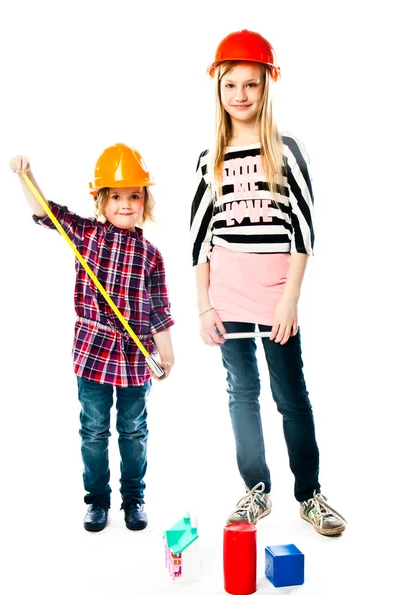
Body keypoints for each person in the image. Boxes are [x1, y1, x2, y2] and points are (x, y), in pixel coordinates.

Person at [190, 30, 346, 536]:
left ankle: (310, 493)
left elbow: (303, 231)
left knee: (291, 394)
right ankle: (257, 488)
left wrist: (289, 301)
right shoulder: (207, 160)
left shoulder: (286, 150)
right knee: (241, 391)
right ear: (218, 87)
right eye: (231, 84)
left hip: (276, 298)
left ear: (267, 87)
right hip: (227, 293)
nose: (240, 95)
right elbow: (198, 239)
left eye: (251, 85)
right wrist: (204, 307)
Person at [10, 144, 175, 532]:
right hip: (93, 354)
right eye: (116, 196)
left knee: (134, 430)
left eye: (134, 195)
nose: (125, 204)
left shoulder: (151, 255)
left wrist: (166, 351)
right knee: (94, 430)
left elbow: (160, 310)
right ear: (101, 200)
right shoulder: (85, 234)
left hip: (136, 360)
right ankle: (97, 501)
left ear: (144, 201)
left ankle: (134, 499)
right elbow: (43, 212)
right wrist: (25, 175)